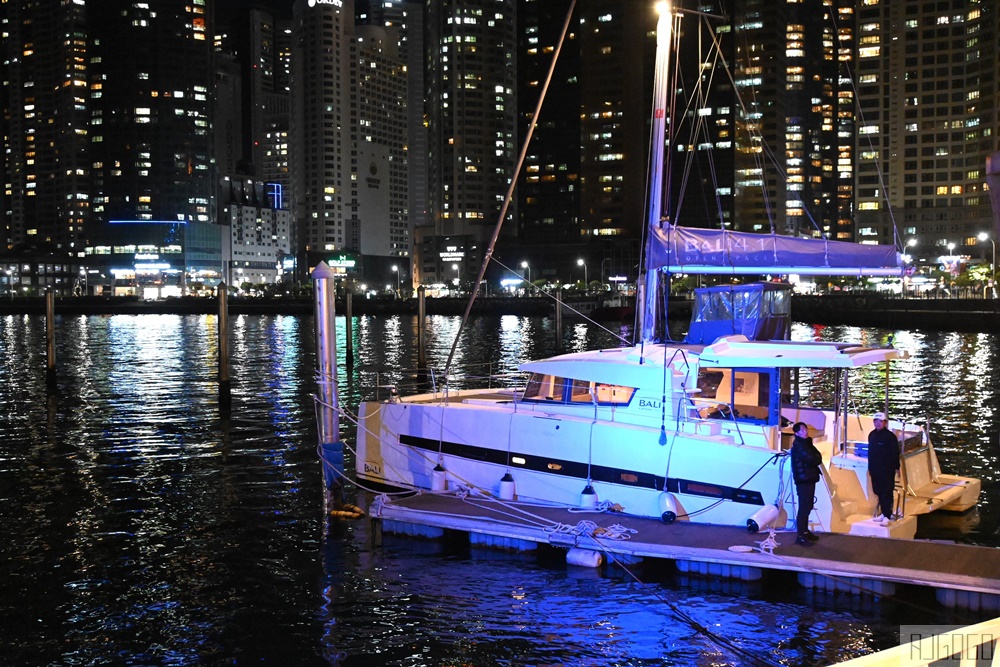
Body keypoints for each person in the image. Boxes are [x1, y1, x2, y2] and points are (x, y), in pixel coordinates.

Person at [790, 421, 822, 546]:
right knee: (804, 507)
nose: (805, 432)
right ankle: (800, 535)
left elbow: (817, 456)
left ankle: (805, 531)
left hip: (808, 478)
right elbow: (814, 459)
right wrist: (815, 457)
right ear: (796, 433)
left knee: (807, 506)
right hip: (804, 480)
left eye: (806, 429)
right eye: (802, 430)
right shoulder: (799, 445)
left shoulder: (806, 443)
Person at [867, 411, 901, 525]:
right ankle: (883, 513)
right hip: (875, 469)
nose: (878, 423)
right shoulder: (871, 435)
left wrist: (897, 467)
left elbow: (895, 453)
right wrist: (870, 468)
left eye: (880, 421)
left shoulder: (890, 437)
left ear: (885, 423)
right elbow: (871, 454)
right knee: (878, 491)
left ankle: (887, 514)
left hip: (887, 470)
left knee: (887, 492)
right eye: (876, 421)